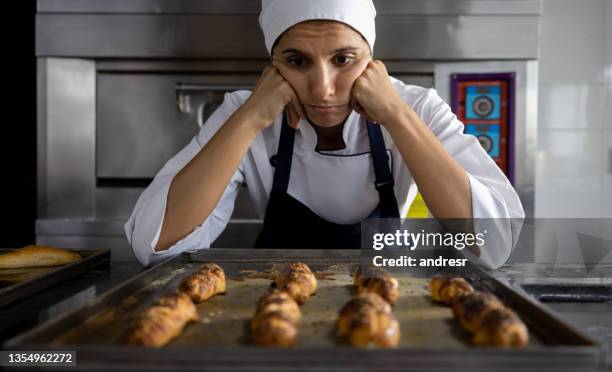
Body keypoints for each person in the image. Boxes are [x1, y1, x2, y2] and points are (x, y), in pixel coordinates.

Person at [125, 0, 524, 268]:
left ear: (371, 59)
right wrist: (248, 120)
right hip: (275, 315)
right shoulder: (244, 113)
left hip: (386, 316)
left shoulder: (417, 108)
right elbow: (153, 245)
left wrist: (399, 118)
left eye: (343, 59)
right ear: (272, 64)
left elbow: (494, 244)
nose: (323, 89)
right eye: (297, 61)